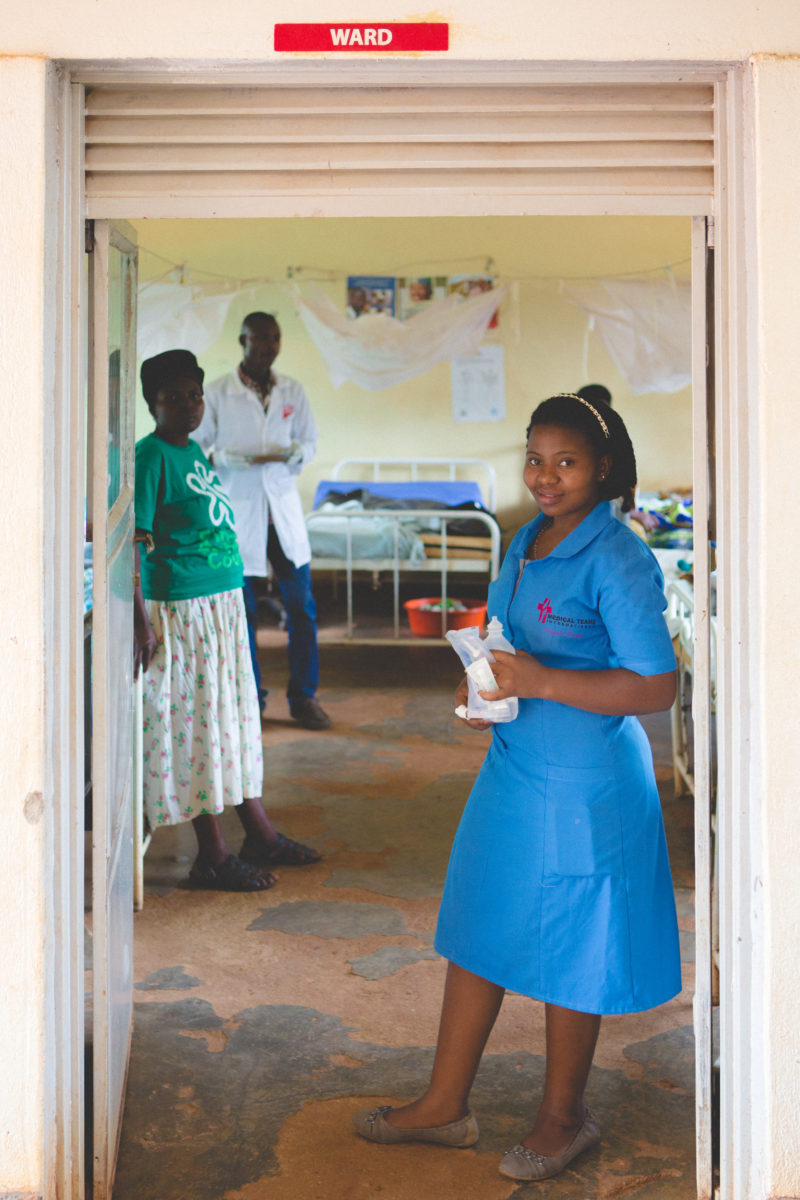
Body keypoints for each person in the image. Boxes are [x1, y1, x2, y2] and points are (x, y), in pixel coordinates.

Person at [353, 392, 680, 1182]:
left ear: (601, 467)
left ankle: (564, 1119)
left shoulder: (618, 555)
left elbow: (656, 685)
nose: (545, 476)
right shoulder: (526, 539)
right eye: (535, 459)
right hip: (514, 766)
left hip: (585, 783)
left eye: (565, 462)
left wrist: (542, 680)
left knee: (574, 945)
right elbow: (510, 643)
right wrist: (484, 689)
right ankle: (443, 1106)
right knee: (478, 923)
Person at [133, 349, 321, 891]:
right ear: (153, 404)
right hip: (182, 612)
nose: (190, 405)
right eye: (175, 397)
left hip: (219, 607)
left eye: (194, 394)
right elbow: (136, 545)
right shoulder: (151, 458)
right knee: (198, 728)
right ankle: (210, 855)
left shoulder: (194, 451)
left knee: (229, 724)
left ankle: (258, 832)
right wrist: (143, 623)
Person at [196, 313, 331, 731]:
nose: (267, 348)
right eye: (258, 341)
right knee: (243, 612)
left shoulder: (292, 389)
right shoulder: (218, 392)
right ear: (242, 340)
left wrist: (295, 455)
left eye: (273, 340)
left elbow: (309, 442)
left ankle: (303, 697)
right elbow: (200, 448)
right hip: (238, 511)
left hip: (282, 511)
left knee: (302, 607)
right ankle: (250, 700)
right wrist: (222, 459)